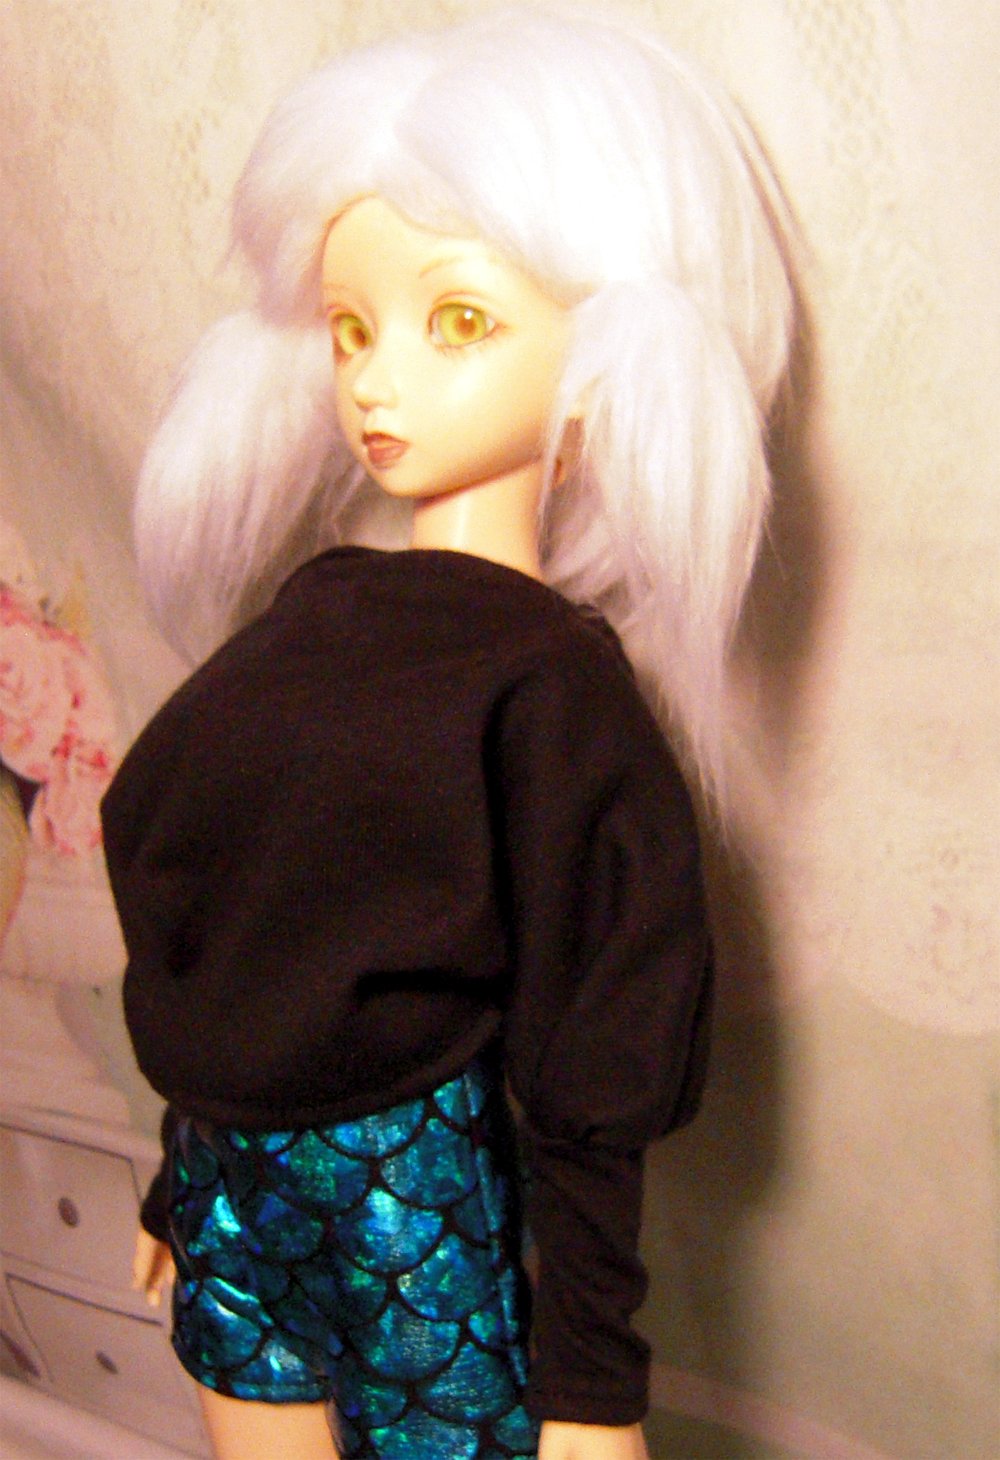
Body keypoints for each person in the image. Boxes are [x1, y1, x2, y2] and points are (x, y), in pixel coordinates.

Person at [101, 9, 794, 1458]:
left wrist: (591, 1384)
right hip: (232, 1209)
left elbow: (592, 1038)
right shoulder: (310, 616)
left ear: (608, 355)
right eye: (351, 329)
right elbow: (228, 922)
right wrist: (183, 1173)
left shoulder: (551, 691)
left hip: (409, 1219)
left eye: (458, 321)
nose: (372, 379)